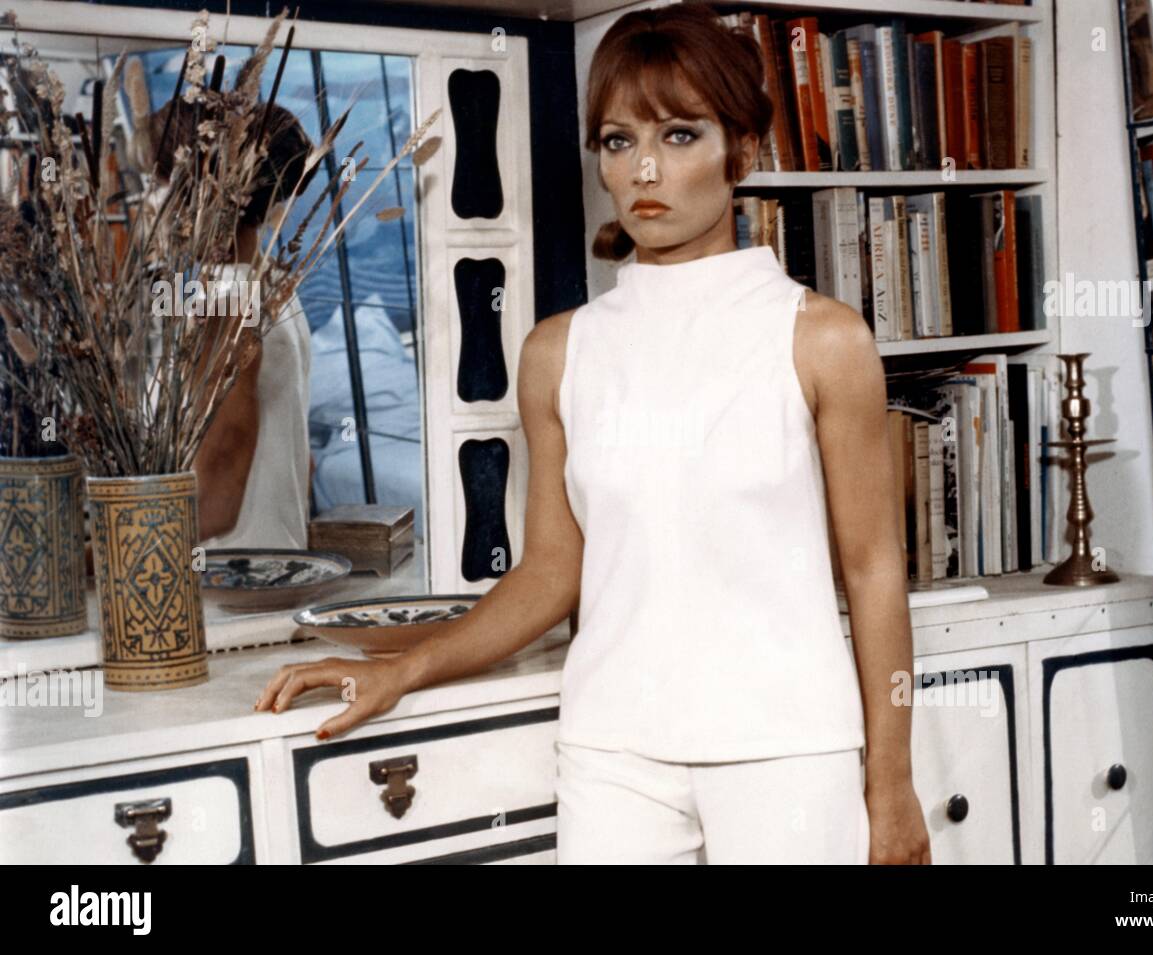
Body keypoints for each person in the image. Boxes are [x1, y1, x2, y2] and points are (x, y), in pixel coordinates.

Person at [255, 4, 930, 865]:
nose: (644, 168)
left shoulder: (824, 340)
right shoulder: (558, 352)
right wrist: (401, 667)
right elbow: (550, 571)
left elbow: (874, 569)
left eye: (680, 135)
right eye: (618, 140)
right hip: (612, 751)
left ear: (743, 151)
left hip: (789, 749)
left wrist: (891, 782)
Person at [146, 98, 317, 551]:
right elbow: (304, 463)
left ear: (191, 195)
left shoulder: (224, 305)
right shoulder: (271, 284)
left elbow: (216, 501)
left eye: (158, 184)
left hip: (221, 581)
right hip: (267, 567)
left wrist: (102, 553)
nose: (152, 203)